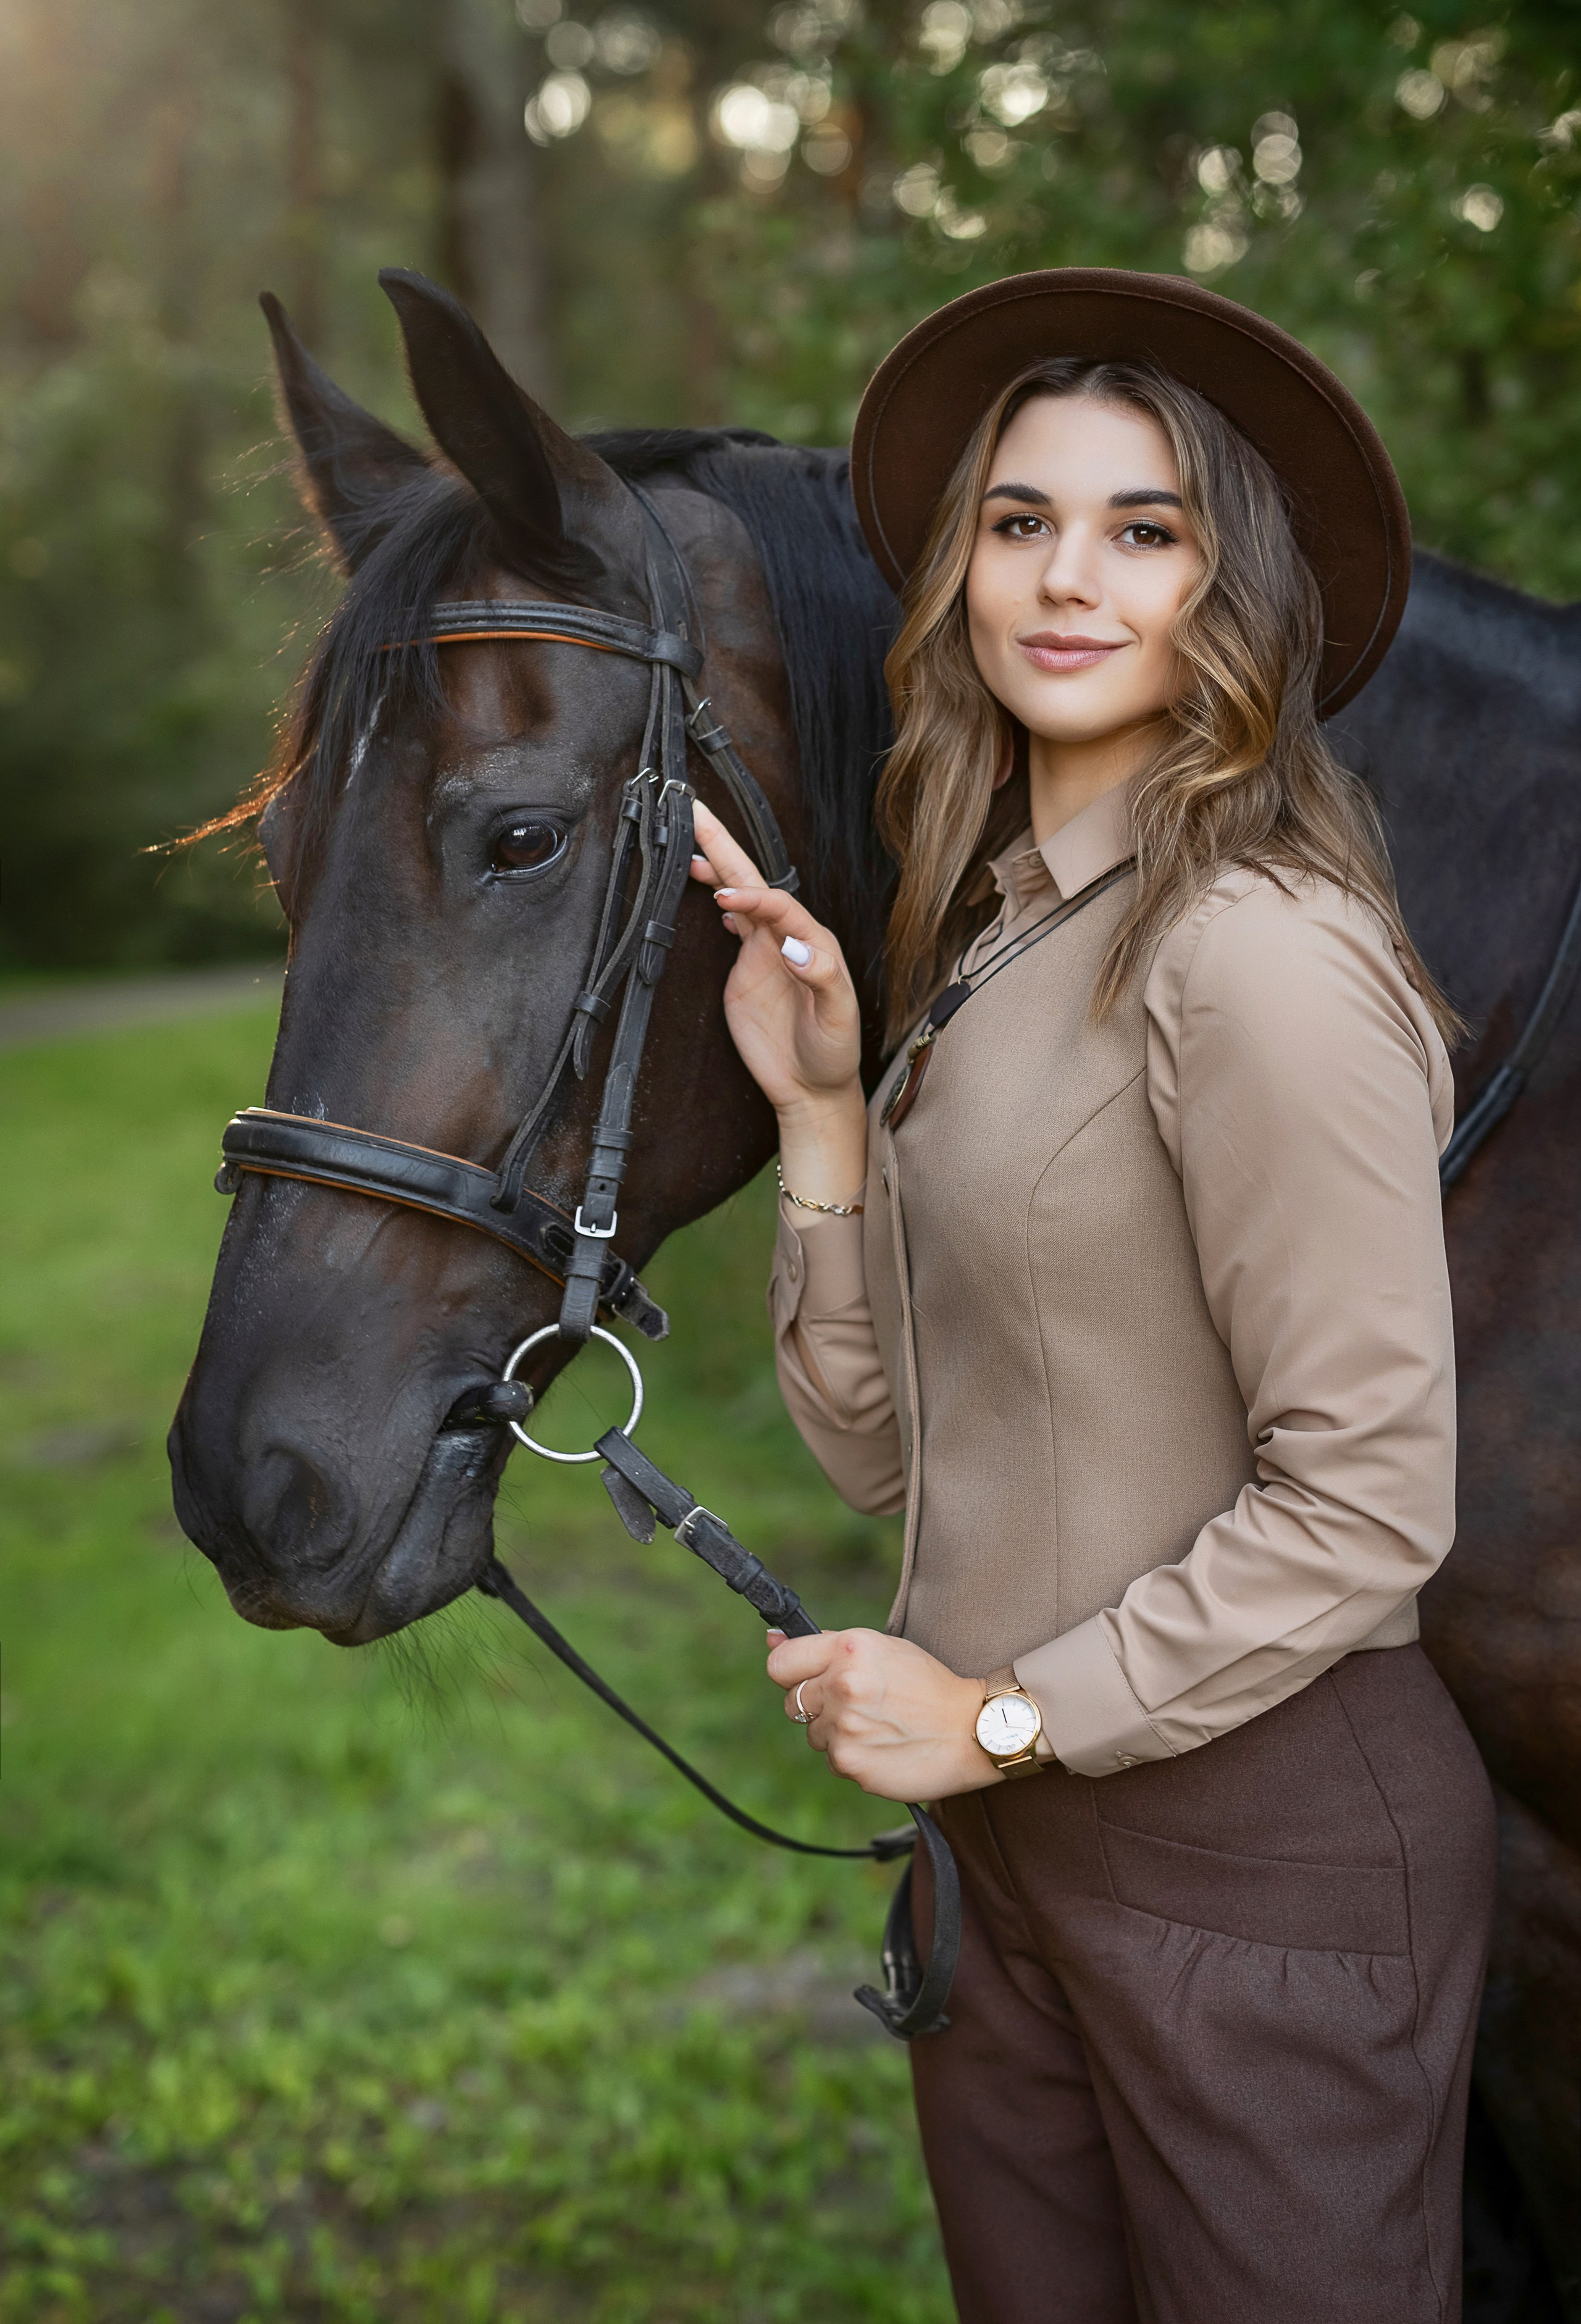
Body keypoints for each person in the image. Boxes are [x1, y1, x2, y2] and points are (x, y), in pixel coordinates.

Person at [687, 269, 1495, 2324]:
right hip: (1008, 1855)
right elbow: (896, 1456)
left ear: (1234, 593)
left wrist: (1004, 1716)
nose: (1068, 577)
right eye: (1021, 520)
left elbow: (1371, 1497)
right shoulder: (998, 945)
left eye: (1146, 529)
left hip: (1259, 1863)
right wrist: (822, 1115)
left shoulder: (1263, 956)